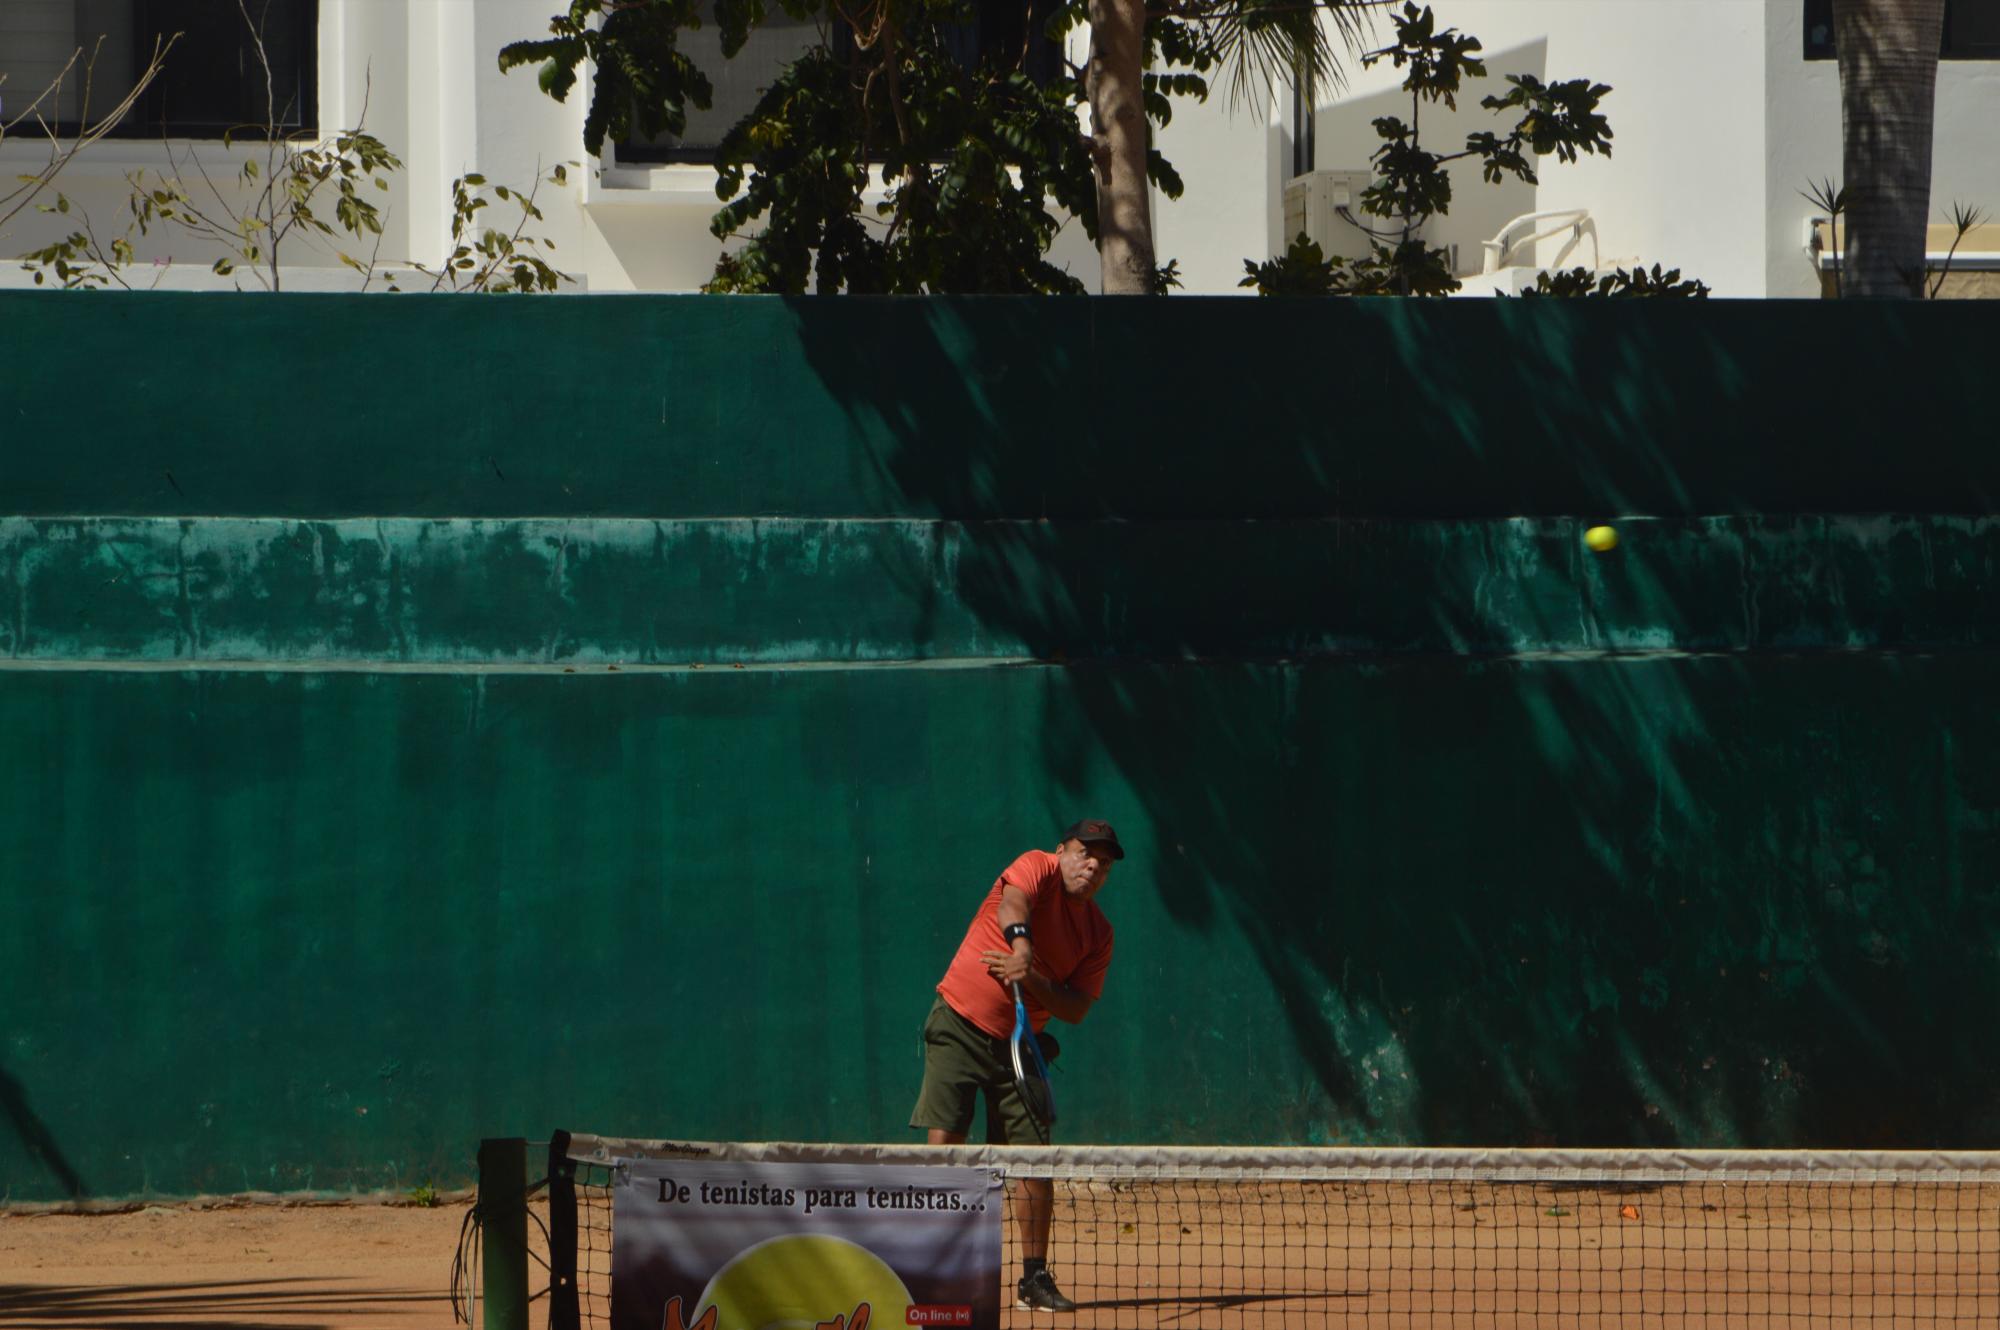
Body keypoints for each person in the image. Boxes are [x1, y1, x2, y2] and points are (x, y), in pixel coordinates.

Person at [910, 819, 1122, 1313]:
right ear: (1060, 850)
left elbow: (1076, 1008)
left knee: (1034, 1161)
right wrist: (1022, 947)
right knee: (947, 1149)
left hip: (1019, 1047)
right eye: (1083, 853)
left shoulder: (1098, 933)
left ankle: (1034, 1279)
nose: (1092, 866)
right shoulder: (1036, 867)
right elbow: (1013, 904)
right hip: (959, 1021)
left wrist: (1036, 980)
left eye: (1103, 863)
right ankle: (940, 1268)